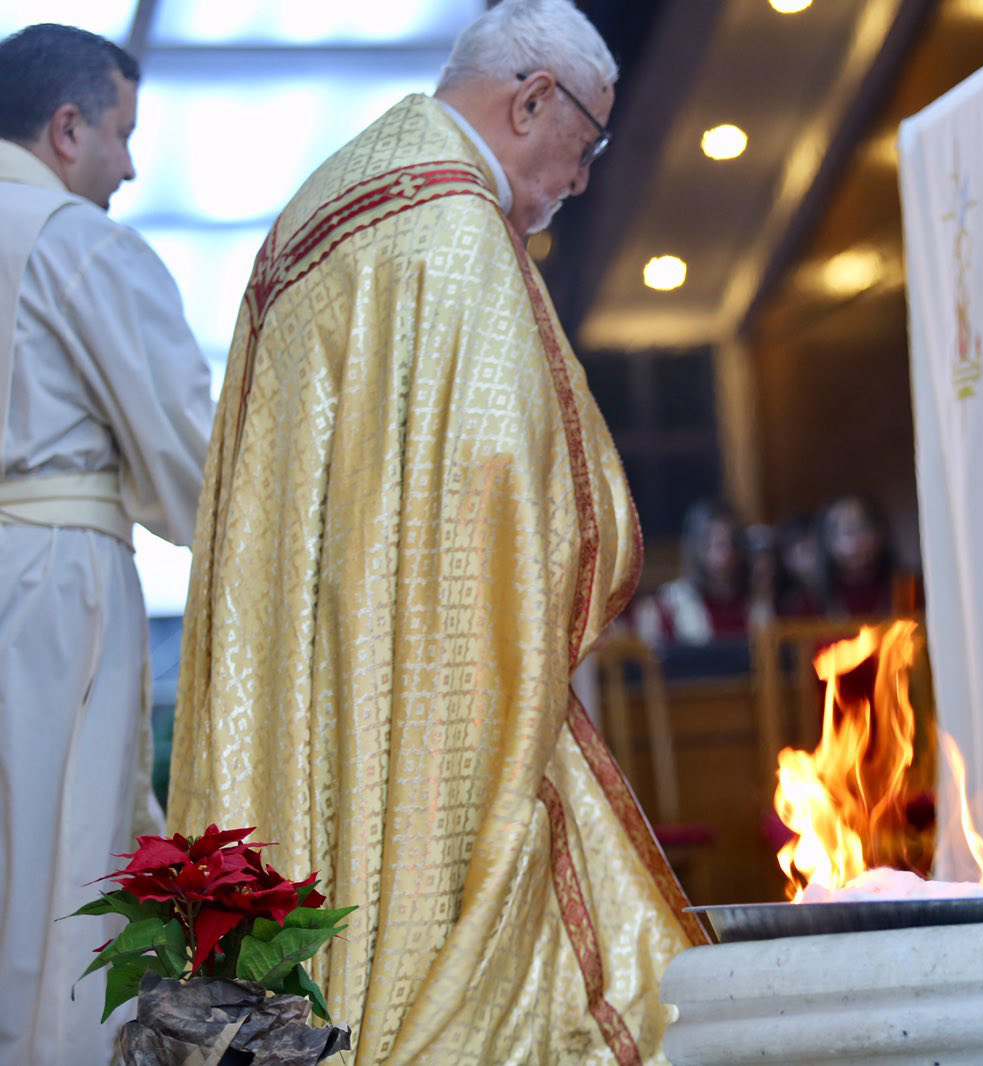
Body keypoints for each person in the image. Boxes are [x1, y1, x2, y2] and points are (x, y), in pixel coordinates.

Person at [167, 3, 704, 1062]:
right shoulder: (456, 227)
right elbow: (517, 487)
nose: (583, 176)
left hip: (299, 665)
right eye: (585, 142)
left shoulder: (327, 198)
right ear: (533, 100)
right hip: (425, 674)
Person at [0, 24, 214, 1066]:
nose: (128, 167)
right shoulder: (75, 240)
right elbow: (183, 440)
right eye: (122, 135)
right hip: (55, 578)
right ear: (67, 125)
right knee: (66, 875)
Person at [635, 500, 758, 645]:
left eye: (731, 543)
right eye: (717, 544)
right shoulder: (671, 604)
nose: (726, 553)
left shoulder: (755, 601)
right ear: (697, 547)